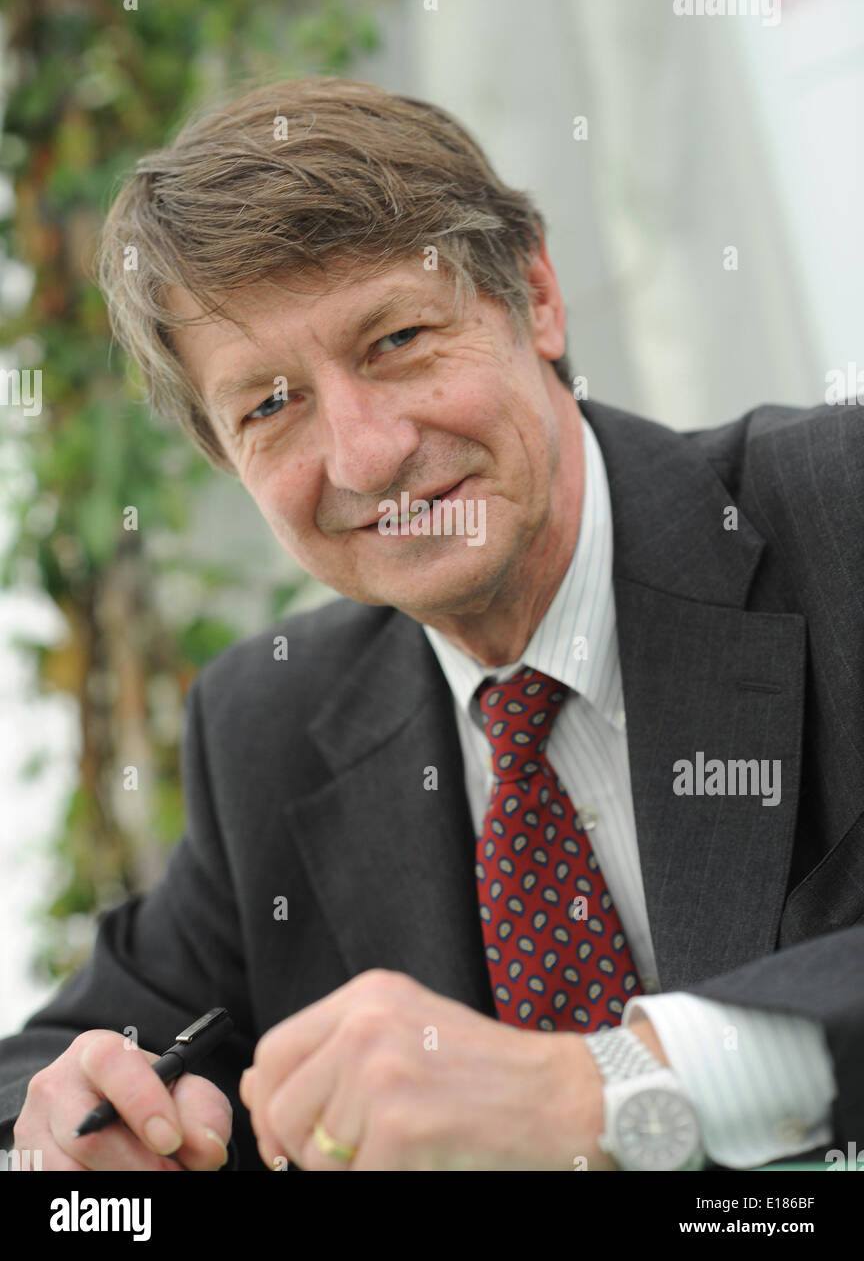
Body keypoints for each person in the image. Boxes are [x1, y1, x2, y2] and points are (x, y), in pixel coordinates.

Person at [1, 77, 861, 1172]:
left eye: (397, 338)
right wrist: (67, 1120)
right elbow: (63, 1049)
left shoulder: (841, 511)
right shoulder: (268, 719)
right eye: (269, 406)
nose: (365, 456)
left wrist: (601, 1086)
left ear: (536, 297)